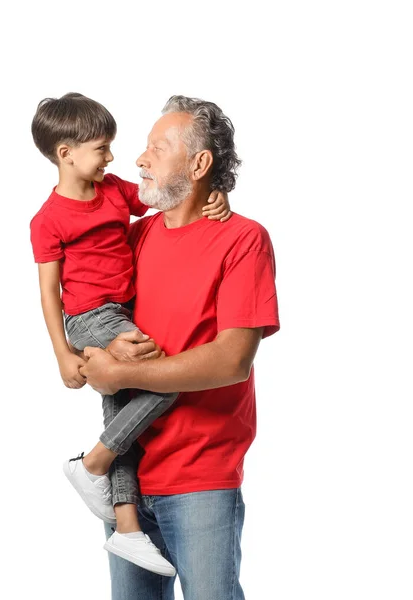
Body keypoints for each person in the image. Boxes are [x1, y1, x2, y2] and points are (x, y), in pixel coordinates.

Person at [77, 95, 280, 600]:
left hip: (201, 478)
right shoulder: (133, 237)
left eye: (156, 148)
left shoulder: (242, 240)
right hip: (127, 479)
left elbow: (233, 360)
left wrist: (121, 375)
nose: (140, 159)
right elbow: (81, 293)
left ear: (198, 163)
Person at [29, 93, 232, 577]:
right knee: (168, 379)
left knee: (124, 407)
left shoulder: (114, 192)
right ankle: (94, 462)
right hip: (90, 316)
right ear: (67, 153)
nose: (114, 157)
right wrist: (65, 353)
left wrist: (212, 197)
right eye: (103, 148)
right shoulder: (48, 220)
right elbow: (48, 292)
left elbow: (167, 196)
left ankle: (125, 527)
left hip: (120, 310)